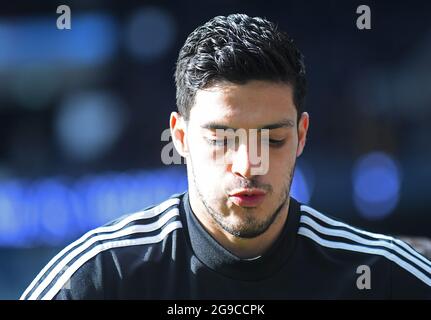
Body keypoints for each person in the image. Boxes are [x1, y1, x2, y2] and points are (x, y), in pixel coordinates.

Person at [21, 13, 430, 300]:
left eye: (272, 140)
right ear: (179, 137)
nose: (248, 164)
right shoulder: (98, 278)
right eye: (222, 139)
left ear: (302, 136)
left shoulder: (382, 275)